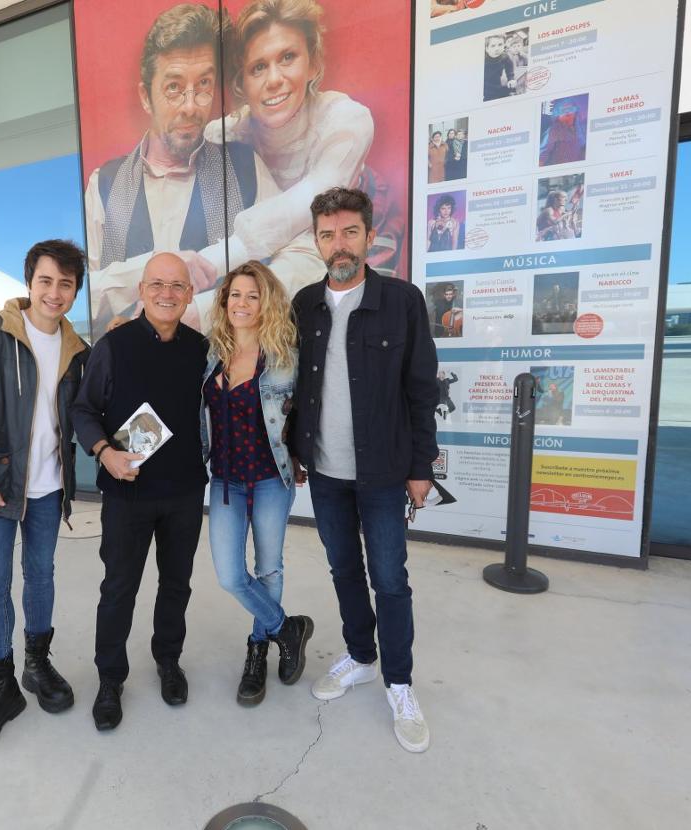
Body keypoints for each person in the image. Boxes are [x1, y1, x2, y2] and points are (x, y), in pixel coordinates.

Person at [289, 187, 439, 754]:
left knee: (391, 579)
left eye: (349, 231)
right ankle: (360, 655)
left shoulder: (401, 301)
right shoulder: (304, 304)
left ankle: (399, 683)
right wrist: (295, 450)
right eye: (328, 234)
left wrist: (421, 466)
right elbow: (295, 385)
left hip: (383, 473)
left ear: (369, 235)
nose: (339, 243)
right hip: (325, 471)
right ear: (317, 241)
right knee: (343, 571)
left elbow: (421, 390)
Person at [0, 240, 91, 755]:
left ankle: (37, 663)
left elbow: (93, 409)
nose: (55, 292)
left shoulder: (78, 351)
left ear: (76, 291)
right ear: (30, 281)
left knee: (42, 575)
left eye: (66, 284)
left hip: (49, 490)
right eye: (46, 281)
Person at [85, 3, 289, 333]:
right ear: (146, 97)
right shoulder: (104, 184)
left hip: (220, 376)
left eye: (204, 85)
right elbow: (78, 295)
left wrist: (208, 311)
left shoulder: (244, 167)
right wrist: (159, 268)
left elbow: (294, 259)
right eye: (174, 88)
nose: (191, 107)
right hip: (131, 375)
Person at [72, 252, 209, 731]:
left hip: (186, 492)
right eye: (157, 284)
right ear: (142, 291)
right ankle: (110, 679)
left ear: (189, 293)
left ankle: (168, 661)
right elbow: (83, 410)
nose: (167, 294)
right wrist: (104, 452)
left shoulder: (201, 349)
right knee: (119, 588)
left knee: (176, 585)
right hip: (127, 494)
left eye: (177, 286)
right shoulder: (114, 347)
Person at [202, 0, 377, 304]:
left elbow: (309, 206)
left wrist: (204, 265)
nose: (273, 80)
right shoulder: (224, 134)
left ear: (313, 63)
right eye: (258, 67)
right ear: (242, 81)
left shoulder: (346, 121)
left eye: (287, 57)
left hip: (326, 280)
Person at [201, 259, 313, 706]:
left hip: (270, 477)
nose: (242, 303)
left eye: (252, 295)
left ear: (266, 302)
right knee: (230, 575)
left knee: (268, 568)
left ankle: (256, 650)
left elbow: (306, 414)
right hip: (225, 479)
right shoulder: (211, 352)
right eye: (235, 295)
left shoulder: (286, 356)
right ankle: (287, 628)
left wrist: (305, 455)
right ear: (224, 301)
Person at [483, 34, 515, 101]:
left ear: (504, 45)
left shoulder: (504, 57)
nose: (497, 49)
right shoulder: (483, 60)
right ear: (487, 49)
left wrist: (510, 78)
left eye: (500, 44)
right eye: (493, 46)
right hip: (485, 88)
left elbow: (509, 66)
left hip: (497, 84)